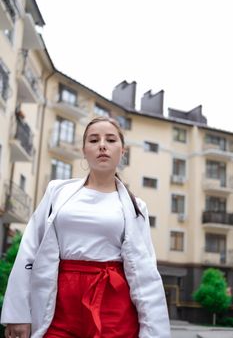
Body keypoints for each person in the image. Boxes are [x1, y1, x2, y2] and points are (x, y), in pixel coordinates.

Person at [1, 116, 171, 338]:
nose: (102, 145)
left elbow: (145, 272)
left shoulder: (136, 207)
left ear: (122, 151)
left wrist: (154, 332)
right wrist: (18, 313)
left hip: (113, 307)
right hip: (59, 303)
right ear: (83, 150)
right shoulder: (57, 192)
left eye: (110, 140)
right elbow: (29, 250)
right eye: (93, 140)